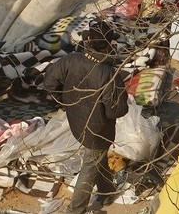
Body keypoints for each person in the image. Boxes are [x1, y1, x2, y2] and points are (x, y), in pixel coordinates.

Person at [42, 19, 128, 214]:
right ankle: (75, 210)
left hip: (77, 122)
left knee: (97, 158)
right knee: (90, 166)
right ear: (109, 45)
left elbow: (49, 83)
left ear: (88, 41)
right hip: (98, 130)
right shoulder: (108, 73)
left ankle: (106, 192)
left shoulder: (71, 59)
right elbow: (116, 111)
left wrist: (67, 102)